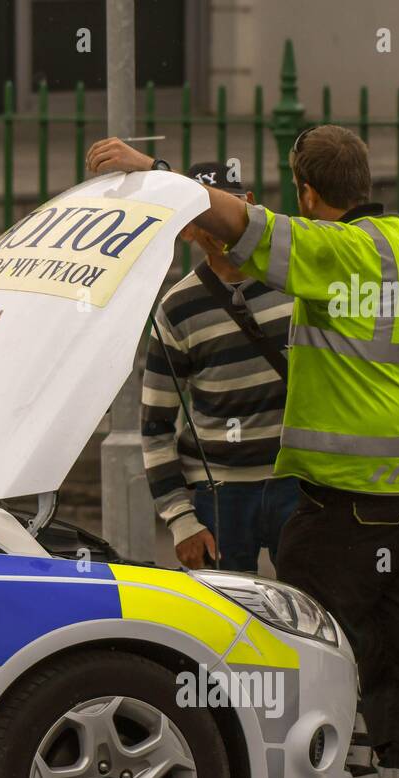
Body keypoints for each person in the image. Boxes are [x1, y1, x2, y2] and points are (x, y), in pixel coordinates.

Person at [87, 125, 399, 778]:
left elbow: (238, 223)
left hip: (342, 501)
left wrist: (151, 170)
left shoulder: (332, 250)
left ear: (309, 195)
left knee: (321, 660)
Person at [141, 160, 297, 573]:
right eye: (202, 215)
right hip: (219, 496)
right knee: (227, 627)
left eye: (226, 208)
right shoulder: (176, 309)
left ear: (247, 207)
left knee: (310, 617)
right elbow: (155, 424)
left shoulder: (295, 283)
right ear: (187, 229)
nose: (218, 225)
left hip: (298, 483)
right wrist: (181, 521)